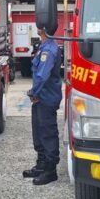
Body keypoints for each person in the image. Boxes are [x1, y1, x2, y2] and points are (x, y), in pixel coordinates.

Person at [22, 27, 63, 185]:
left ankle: (51, 170)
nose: (36, 27)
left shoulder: (49, 50)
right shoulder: (43, 46)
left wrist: (34, 92)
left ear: (44, 29)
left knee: (47, 132)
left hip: (46, 97)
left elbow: (42, 75)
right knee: (38, 131)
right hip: (41, 97)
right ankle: (41, 164)